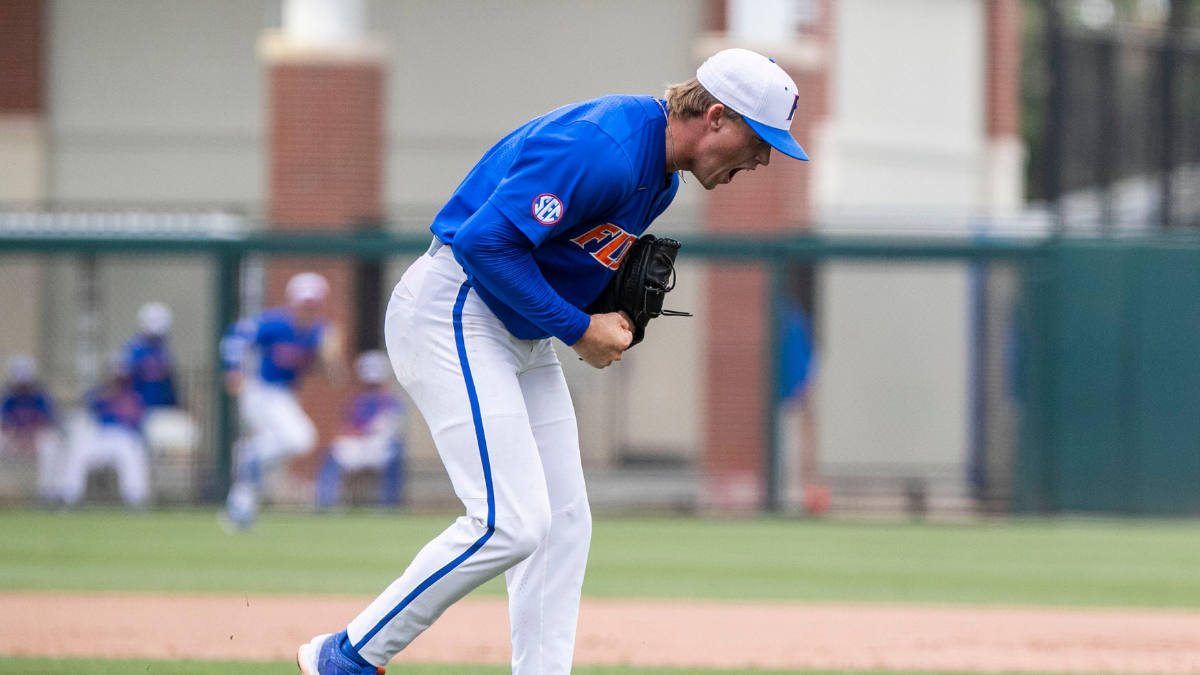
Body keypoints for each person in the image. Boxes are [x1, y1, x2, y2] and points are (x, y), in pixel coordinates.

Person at [296, 48, 808, 675]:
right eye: (760, 141)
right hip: (455, 305)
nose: (762, 159)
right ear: (717, 118)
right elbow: (485, 243)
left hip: (516, 326)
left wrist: (594, 306)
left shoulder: (662, 176)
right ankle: (343, 657)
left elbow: (555, 254)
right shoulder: (608, 148)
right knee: (508, 523)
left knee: (563, 525)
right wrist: (578, 328)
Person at [221, 271, 344, 530]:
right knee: (301, 439)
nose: (307, 310)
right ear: (293, 302)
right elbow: (235, 335)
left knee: (273, 462)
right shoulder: (276, 323)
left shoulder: (319, 332)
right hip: (261, 391)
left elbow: (333, 376)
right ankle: (249, 454)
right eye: (304, 304)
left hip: (284, 396)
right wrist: (233, 368)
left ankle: (238, 510)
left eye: (313, 305)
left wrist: (332, 359)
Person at [315, 350, 407, 510]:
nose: (371, 385)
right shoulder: (354, 399)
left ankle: (388, 507)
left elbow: (391, 428)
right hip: (355, 445)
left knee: (396, 453)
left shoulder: (392, 400)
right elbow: (344, 428)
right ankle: (327, 505)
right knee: (330, 455)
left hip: (378, 446)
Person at [61, 354, 149, 507]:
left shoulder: (134, 396)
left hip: (124, 436)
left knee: (131, 453)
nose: (117, 379)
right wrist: (107, 392)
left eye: (120, 376)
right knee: (79, 451)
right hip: (101, 435)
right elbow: (88, 402)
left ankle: (136, 499)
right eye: (114, 376)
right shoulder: (101, 393)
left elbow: (136, 421)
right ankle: (68, 497)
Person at [0, 354, 64, 504]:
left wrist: (29, 438)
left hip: (35, 439)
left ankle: (48, 493)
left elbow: (46, 422)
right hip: (14, 438)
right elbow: (4, 424)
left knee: (51, 443)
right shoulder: (8, 396)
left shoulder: (40, 396)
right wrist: (16, 437)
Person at [123, 302, 179, 409]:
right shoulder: (134, 350)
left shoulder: (163, 351)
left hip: (162, 406)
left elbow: (170, 384)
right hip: (138, 407)